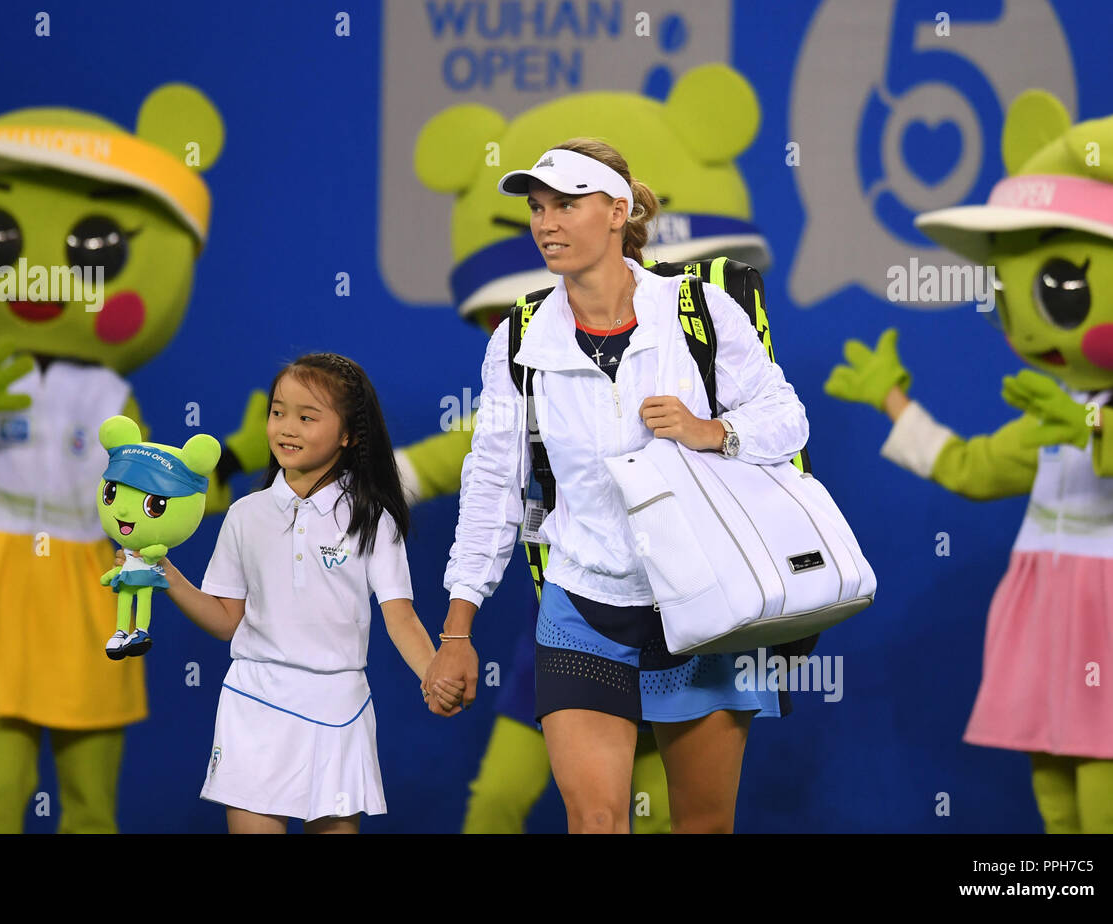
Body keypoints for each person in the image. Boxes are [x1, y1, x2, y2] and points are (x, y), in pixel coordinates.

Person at [425, 139, 810, 833]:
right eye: (537, 208)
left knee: (701, 824)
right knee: (597, 820)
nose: (546, 221)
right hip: (581, 604)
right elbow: (491, 486)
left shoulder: (700, 309)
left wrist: (710, 431)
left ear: (617, 211)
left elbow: (787, 420)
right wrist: (458, 627)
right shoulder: (516, 338)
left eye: (567, 204)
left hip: (705, 604)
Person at [148, 352, 463, 833]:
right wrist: (163, 571)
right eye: (277, 412)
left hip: (339, 707)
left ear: (348, 434)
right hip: (254, 703)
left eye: (306, 416)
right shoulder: (245, 515)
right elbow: (226, 620)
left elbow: (400, 617)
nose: (286, 428)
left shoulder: (373, 517)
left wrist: (432, 675)